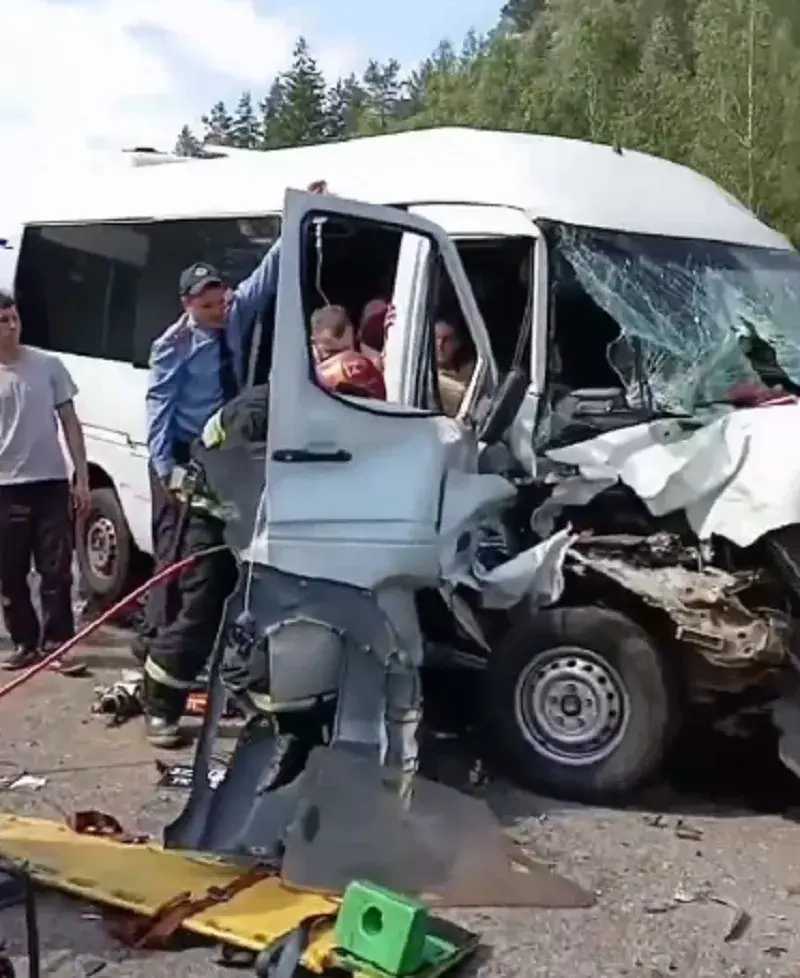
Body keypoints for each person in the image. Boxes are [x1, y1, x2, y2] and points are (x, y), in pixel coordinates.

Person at [140, 180, 328, 748]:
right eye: (207, 305)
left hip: (242, 470)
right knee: (193, 590)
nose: (219, 310)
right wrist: (168, 471)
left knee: (253, 593)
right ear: (187, 305)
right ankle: (161, 699)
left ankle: (251, 694)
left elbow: (272, 270)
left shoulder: (239, 313)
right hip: (192, 474)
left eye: (221, 300)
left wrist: (299, 214)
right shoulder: (171, 349)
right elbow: (159, 416)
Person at [0, 290, 90, 674]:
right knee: (10, 572)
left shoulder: (49, 366)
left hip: (50, 482)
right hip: (4, 486)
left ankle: (58, 645)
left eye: (14, 318)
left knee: (56, 569)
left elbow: (70, 422)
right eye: (2, 321)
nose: (11, 326)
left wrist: (81, 477)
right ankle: (24, 642)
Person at [435, 317, 476, 417]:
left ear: (458, 343)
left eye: (447, 340)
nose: (440, 345)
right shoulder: (426, 375)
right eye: (436, 338)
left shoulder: (475, 370)